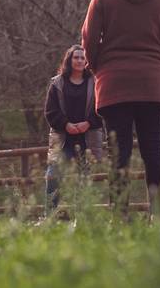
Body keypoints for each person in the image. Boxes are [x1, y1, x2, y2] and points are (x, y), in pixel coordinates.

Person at [82, 0, 160, 218]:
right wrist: (159, 66)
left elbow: (89, 39)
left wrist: (98, 68)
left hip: (114, 85)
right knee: (154, 154)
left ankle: (120, 217)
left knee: (119, 155)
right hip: (151, 84)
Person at [44, 45, 104, 214]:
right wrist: (66, 125)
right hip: (64, 141)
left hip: (88, 139)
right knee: (53, 176)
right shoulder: (57, 83)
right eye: (75, 57)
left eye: (82, 58)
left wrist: (89, 122)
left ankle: (83, 219)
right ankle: (49, 217)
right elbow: (50, 111)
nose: (79, 61)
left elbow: (102, 108)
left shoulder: (96, 83)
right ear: (69, 60)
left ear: (87, 61)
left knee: (83, 181)